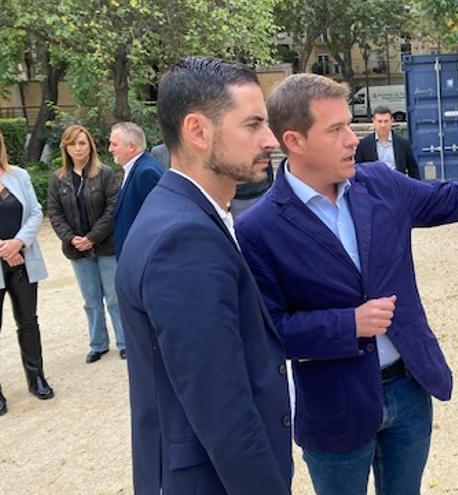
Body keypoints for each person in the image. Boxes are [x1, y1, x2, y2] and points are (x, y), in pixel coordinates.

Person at [235, 72, 458, 494]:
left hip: (409, 390)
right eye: (335, 130)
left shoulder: (381, 184)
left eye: (350, 126)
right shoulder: (258, 228)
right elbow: (269, 334)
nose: (353, 139)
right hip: (335, 406)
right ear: (294, 141)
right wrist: (347, 323)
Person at [115, 56, 292, 494]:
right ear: (198, 131)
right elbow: (222, 408)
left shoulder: (180, 212)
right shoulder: (184, 238)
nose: (269, 139)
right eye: (252, 125)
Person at [47, 124, 125, 363]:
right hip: (77, 250)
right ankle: (98, 344)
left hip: (105, 245)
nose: (78, 148)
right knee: (91, 300)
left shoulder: (106, 174)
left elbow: (113, 209)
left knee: (114, 297)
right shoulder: (58, 179)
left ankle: (124, 342)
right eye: (73, 144)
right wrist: (72, 238)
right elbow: (54, 212)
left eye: (82, 143)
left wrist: (92, 237)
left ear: (90, 145)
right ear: (66, 148)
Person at [0, 131, 53, 416]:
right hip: (3, 257)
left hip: (22, 260)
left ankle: (36, 378)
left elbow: (35, 212)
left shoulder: (19, 175)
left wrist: (18, 243)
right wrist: (3, 248)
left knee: (28, 322)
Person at [108, 121, 164, 257]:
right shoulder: (137, 167)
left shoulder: (145, 172)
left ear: (131, 147)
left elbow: (157, 221)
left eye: (114, 144)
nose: (110, 149)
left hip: (142, 255)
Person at [354, 105, 420, 179]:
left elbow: (413, 171)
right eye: (379, 121)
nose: (383, 125)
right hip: (374, 188)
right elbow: (358, 170)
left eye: (386, 121)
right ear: (373, 121)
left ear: (391, 121)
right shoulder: (364, 145)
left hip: (397, 187)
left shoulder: (403, 144)